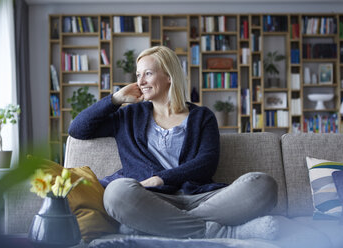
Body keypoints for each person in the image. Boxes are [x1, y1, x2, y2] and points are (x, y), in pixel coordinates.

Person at [68, 46, 278, 239]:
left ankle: (158, 225)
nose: (140, 81)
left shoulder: (202, 117)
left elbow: (206, 162)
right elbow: (78, 130)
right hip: (150, 199)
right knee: (116, 193)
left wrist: (161, 178)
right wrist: (115, 99)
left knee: (263, 185)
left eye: (147, 74)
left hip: (200, 198)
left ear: (169, 76)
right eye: (138, 75)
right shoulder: (128, 116)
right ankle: (219, 231)